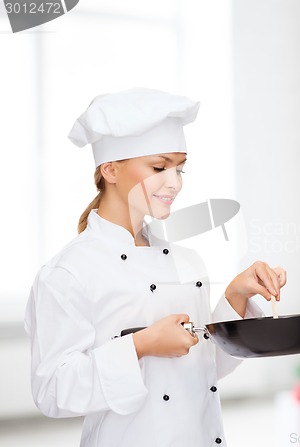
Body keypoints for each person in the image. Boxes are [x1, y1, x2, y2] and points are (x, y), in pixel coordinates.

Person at [24, 87, 286, 447]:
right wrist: (140, 346)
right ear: (111, 170)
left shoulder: (188, 263)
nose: (174, 182)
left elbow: (203, 369)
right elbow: (53, 390)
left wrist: (236, 294)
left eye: (180, 168)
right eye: (159, 167)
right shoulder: (68, 273)